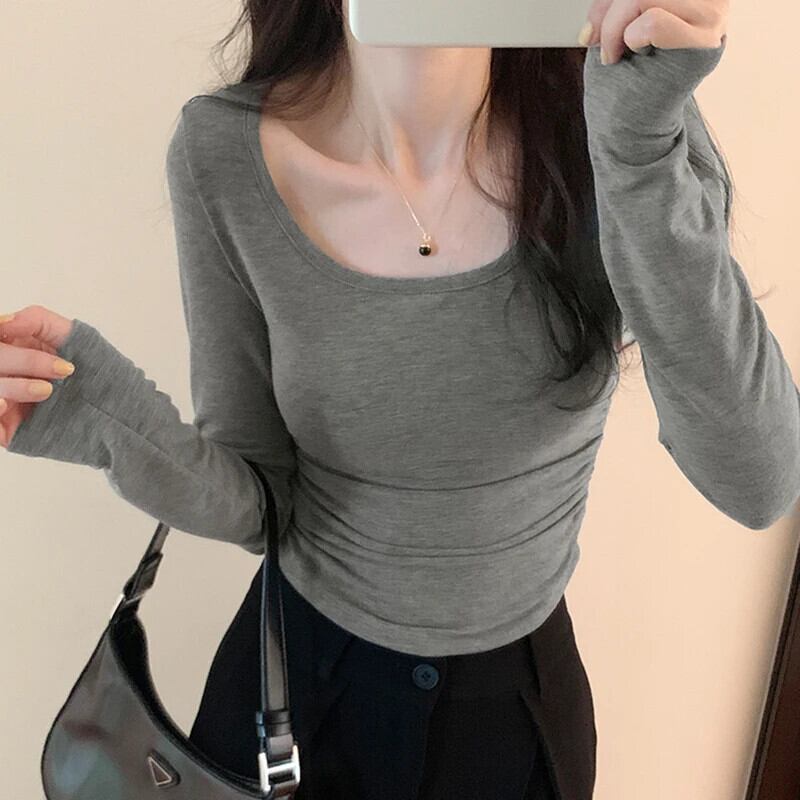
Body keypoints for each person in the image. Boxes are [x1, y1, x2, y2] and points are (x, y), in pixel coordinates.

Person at [3, 0, 798, 797]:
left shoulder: (622, 120)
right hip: (295, 701)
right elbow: (259, 501)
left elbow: (759, 479)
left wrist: (640, 152)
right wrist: (102, 417)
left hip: (513, 720)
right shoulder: (223, 155)